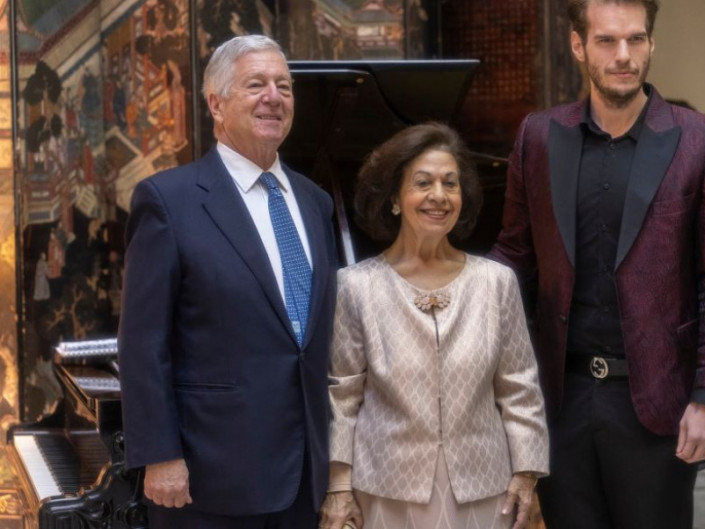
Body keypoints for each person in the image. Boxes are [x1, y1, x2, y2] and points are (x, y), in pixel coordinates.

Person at [489, 0, 705, 528]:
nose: (624, 55)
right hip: (560, 401)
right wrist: (447, 298)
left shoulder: (702, 139)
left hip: (658, 402)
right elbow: (513, 257)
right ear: (578, 45)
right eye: (607, 40)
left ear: (652, 43)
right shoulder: (538, 135)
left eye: (636, 39)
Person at [118, 34, 337, 528]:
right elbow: (143, 342)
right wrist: (160, 454)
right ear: (215, 104)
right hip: (209, 478)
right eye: (256, 85)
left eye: (284, 86)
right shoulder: (168, 201)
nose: (274, 97)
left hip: (305, 476)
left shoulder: (315, 202)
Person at [320, 123, 549, 529]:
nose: (439, 196)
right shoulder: (356, 287)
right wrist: (338, 487)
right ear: (394, 198)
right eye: (423, 183)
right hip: (385, 491)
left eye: (450, 183)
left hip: (486, 489)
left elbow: (520, 388)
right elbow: (342, 397)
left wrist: (527, 474)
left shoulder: (496, 282)